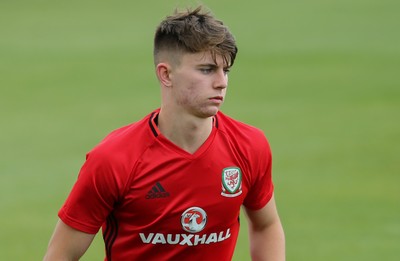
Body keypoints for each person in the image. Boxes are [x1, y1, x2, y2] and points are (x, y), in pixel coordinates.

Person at [43, 5, 285, 261]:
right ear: (166, 74)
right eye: (206, 69)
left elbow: (266, 224)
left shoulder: (249, 145)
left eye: (225, 71)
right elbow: (61, 255)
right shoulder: (113, 159)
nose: (221, 82)